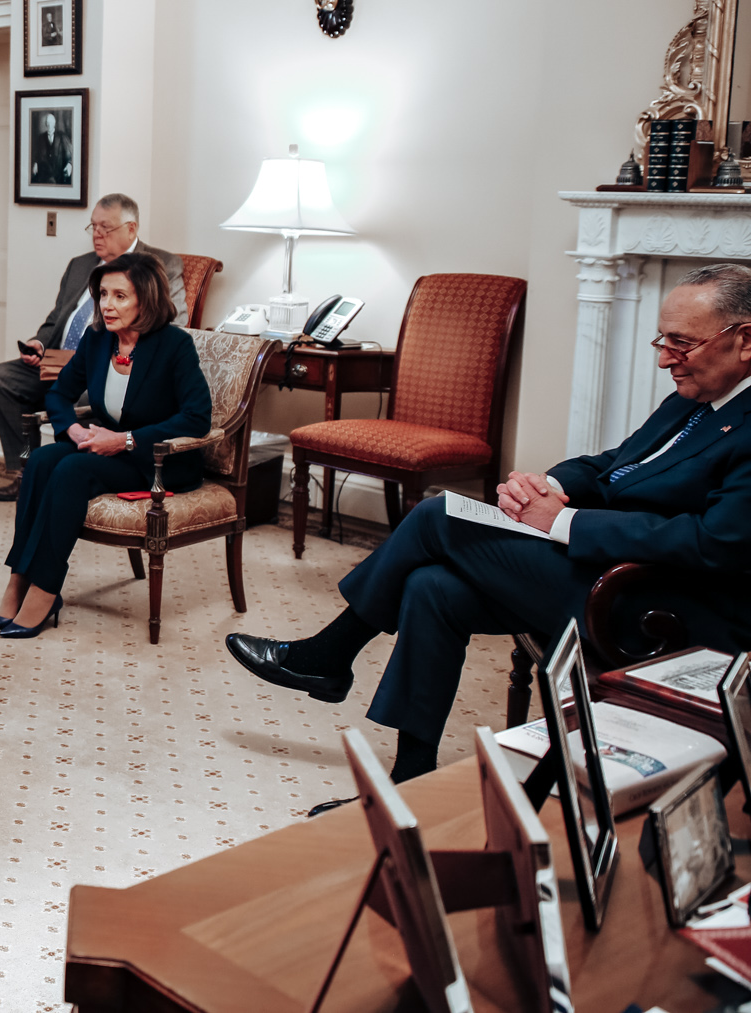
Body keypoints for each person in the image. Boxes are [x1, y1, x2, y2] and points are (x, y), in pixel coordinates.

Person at [229, 262, 751, 783]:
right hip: (611, 569)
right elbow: (615, 465)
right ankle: (410, 775)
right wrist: (550, 486)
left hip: (661, 604)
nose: (665, 359)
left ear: (744, 341)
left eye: (680, 344)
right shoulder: (698, 399)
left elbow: (714, 544)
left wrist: (564, 522)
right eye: (663, 340)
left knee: (437, 515)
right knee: (431, 585)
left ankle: (329, 652)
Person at [0, 252, 211, 639]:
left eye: (120, 296)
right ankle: (18, 581)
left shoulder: (175, 345)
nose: (107, 304)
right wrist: (72, 430)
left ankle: (45, 589)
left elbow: (196, 417)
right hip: (103, 443)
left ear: (147, 299)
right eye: (103, 294)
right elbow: (58, 395)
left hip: (154, 461)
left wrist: (124, 440)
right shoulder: (97, 339)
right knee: (41, 461)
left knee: (72, 470)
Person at [0, 193, 188, 501]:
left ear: (131, 229)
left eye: (106, 227)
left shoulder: (160, 264)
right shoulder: (80, 265)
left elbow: (174, 324)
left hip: (106, 365)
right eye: (93, 226)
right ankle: (23, 473)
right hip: (56, 360)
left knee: (86, 393)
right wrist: (39, 344)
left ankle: (78, 467)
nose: (97, 234)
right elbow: (56, 319)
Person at [31, 112, 71, 186]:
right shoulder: (41, 138)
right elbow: (36, 154)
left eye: (51, 123)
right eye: (47, 123)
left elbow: (69, 153)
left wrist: (69, 164)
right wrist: (35, 163)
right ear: (46, 124)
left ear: (54, 123)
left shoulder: (62, 136)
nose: (49, 125)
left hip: (59, 174)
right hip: (45, 175)